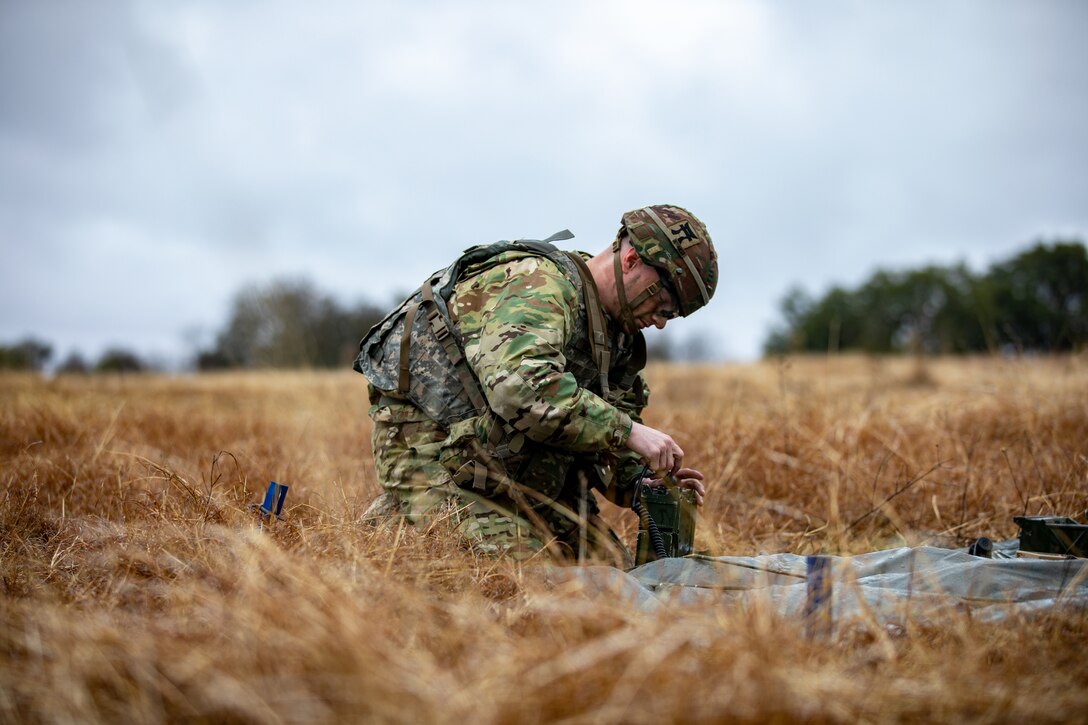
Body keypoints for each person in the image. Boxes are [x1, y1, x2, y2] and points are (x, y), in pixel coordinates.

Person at [354, 204, 717, 565]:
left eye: (673, 314)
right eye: (663, 304)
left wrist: (640, 483)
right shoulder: (539, 284)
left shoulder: (616, 337)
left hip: (505, 466)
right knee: (524, 579)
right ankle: (397, 523)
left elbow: (600, 441)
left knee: (611, 576)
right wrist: (629, 431)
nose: (661, 323)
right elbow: (518, 389)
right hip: (431, 445)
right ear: (632, 260)